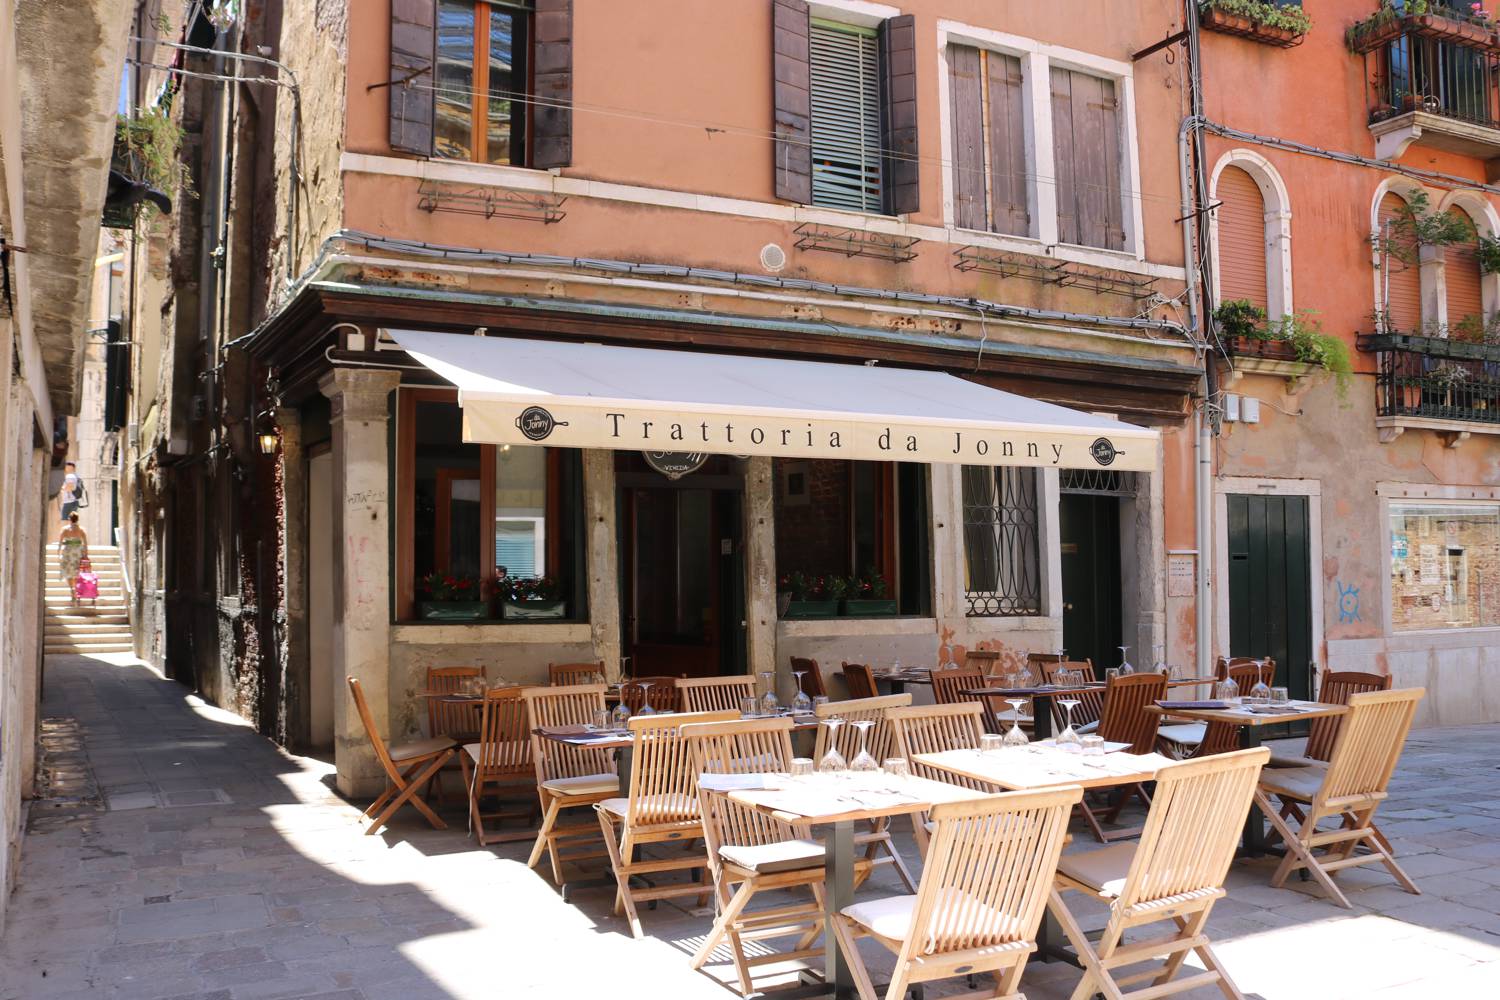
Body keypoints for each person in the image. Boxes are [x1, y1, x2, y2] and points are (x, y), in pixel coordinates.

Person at [58, 513, 89, 606]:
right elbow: (85, 544)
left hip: (67, 553)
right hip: (77, 553)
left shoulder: (65, 529)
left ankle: (72, 588)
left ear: (69, 519)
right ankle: (75, 588)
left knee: (68, 572)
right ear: (77, 519)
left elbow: (60, 542)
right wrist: (86, 554)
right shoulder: (81, 530)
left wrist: (58, 553)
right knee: (76, 572)